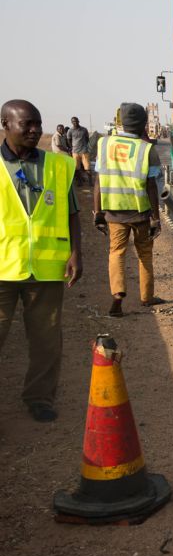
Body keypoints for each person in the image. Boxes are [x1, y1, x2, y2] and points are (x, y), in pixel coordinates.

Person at [0, 100, 83, 422]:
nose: (35, 130)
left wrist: (76, 253)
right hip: (3, 268)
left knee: (46, 339)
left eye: (38, 123)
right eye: (27, 125)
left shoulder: (59, 166)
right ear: (6, 125)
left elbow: (72, 212)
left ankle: (40, 398)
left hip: (47, 268)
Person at [93, 103, 165, 317]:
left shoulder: (104, 144)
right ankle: (147, 297)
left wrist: (98, 212)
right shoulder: (146, 149)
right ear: (144, 124)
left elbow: (97, 182)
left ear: (120, 121)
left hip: (114, 212)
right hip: (141, 212)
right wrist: (156, 217)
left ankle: (117, 293)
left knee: (116, 252)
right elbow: (152, 186)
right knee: (144, 254)